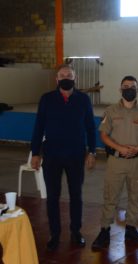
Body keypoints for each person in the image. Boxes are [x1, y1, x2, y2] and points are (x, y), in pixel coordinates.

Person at [31, 64, 96, 251]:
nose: (66, 77)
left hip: (76, 155)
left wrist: (91, 151)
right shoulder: (47, 99)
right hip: (52, 156)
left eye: (69, 74)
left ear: (74, 78)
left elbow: (91, 127)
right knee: (52, 197)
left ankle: (76, 232)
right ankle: (55, 234)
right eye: (62, 75)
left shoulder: (83, 99)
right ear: (56, 79)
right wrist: (36, 153)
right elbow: (38, 127)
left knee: (76, 195)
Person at [91, 75, 138, 250]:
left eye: (133, 86)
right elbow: (103, 135)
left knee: (135, 196)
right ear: (120, 90)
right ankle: (104, 230)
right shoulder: (111, 111)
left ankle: (131, 228)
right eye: (126, 86)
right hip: (116, 161)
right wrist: (119, 147)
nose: (129, 89)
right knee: (110, 196)